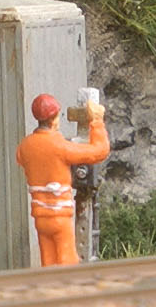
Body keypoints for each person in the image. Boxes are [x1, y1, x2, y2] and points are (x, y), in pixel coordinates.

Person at [15, 92, 110, 266]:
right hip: (60, 216)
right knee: (67, 262)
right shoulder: (59, 146)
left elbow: (21, 159)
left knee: (49, 263)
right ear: (54, 119)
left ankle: (51, 292)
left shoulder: (25, 146)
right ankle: (70, 291)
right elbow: (100, 151)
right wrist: (96, 121)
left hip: (40, 217)